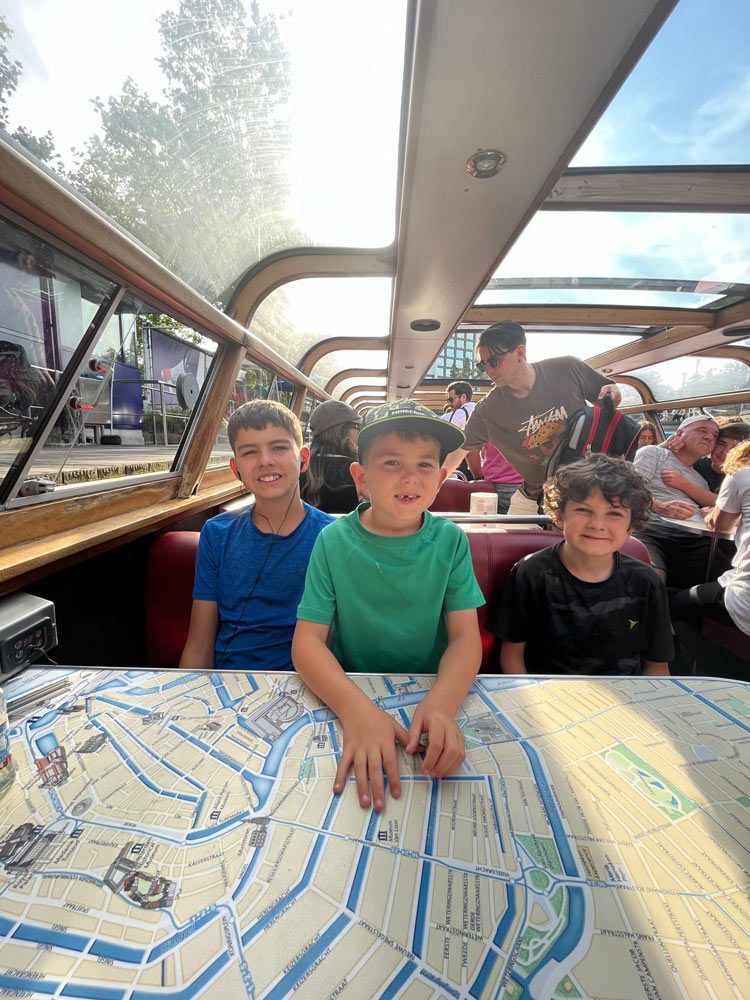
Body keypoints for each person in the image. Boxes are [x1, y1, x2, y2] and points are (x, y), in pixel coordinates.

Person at [293, 399, 484, 813]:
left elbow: (466, 638)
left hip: (430, 688)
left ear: (441, 477)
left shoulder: (451, 542)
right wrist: (355, 711)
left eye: (425, 465)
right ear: (360, 477)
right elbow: (307, 643)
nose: (410, 477)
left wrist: (442, 703)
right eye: (392, 463)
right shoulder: (332, 541)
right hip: (351, 687)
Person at [179, 400, 333, 670]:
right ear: (235, 467)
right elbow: (199, 643)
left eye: (279, 447)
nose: (265, 461)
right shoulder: (217, 534)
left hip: (311, 680)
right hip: (231, 680)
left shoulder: (331, 536)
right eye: (250, 452)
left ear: (304, 459)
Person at [495, 455, 672, 676]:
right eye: (583, 510)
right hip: (545, 698)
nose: (597, 524)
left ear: (630, 528)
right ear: (559, 517)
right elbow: (512, 656)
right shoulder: (531, 573)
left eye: (614, 513)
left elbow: (656, 666)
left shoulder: (646, 581)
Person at [442, 321, 621, 515]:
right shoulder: (488, 411)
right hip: (536, 492)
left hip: (591, 486)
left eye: (494, 361)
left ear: (520, 352)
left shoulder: (567, 369)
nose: (488, 370)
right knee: (511, 540)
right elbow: (457, 453)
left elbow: (610, 397)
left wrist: (614, 392)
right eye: (482, 365)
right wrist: (430, 483)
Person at [633, 414, 731, 587]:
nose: (709, 436)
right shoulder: (654, 453)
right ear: (679, 434)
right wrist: (659, 506)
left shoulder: (701, 480)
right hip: (649, 530)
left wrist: (709, 512)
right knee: (650, 579)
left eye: (715, 435)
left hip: (692, 539)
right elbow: (629, 487)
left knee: (732, 581)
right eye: (701, 430)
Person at [671, 440, 750, 635]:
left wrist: (708, 513)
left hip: (744, 599)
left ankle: (696, 662)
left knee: (675, 601)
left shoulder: (742, 474)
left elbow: (718, 525)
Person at [300, 399, 361, 513]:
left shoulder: (299, 468)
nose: (359, 432)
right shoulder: (359, 472)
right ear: (343, 430)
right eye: (357, 426)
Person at [476, 443, 523, 514]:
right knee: (526, 523)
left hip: (494, 483)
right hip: (528, 484)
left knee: (491, 523)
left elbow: (474, 452)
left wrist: (478, 478)